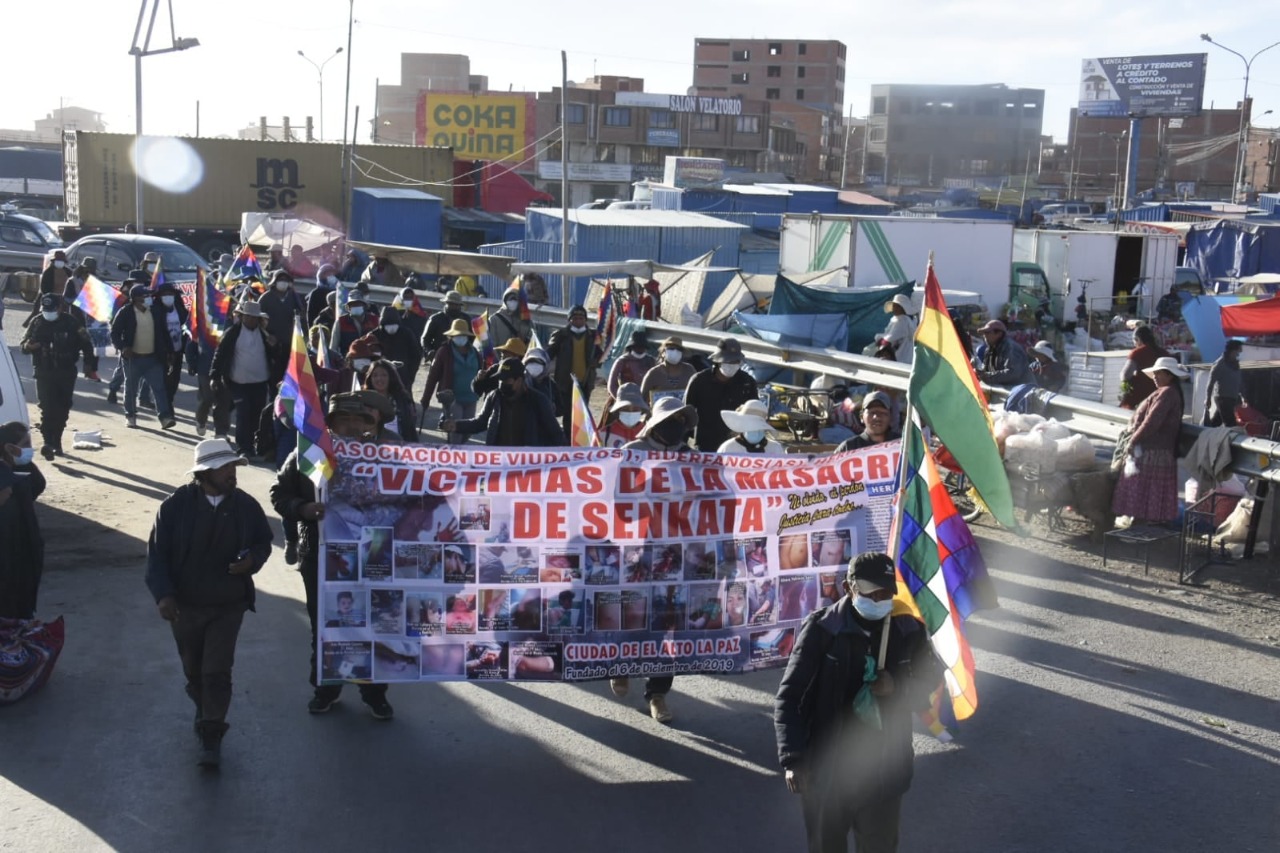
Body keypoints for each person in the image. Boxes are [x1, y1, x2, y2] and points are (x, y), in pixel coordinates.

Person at [774, 551, 942, 853]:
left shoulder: (908, 631)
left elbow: (929, 684)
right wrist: (793, 759)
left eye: (886, 593)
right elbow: (791, 696)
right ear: (849, 588)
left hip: (885, 772)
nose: (880, 600)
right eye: (871, 592)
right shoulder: (822, 630)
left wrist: (897, 687)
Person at [146, 438, 273, 768]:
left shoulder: (245, 506)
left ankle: (212, 733)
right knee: (194, 671)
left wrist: (252, 562)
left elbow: (263, 541)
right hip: (185, 606)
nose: (233, 473)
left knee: (217, 671)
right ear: (204, 473)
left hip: (227, 605)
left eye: (233, 466)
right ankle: (204, 712)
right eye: (225, 468)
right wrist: (164, 595)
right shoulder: (174, 507)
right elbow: (156, 557)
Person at [271, 393, 395, 720]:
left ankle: (374, 693)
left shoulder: (386, 456)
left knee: (372, 623)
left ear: (369, 425)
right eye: (345, 420)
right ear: (331, 424)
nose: (352, 426)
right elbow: (279, 494)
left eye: (360, 421)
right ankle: (326, 688)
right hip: (322, 555)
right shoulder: (309, 455)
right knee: (326, 625)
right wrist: (303, 509)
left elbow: (414, 494)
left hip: (374, 555)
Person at [615, 396, 699, 723]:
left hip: (677, 552)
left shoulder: (692, 458)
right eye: (670, 421)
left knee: (670, 623)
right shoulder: (632, 451)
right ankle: (621, 666)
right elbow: (612, 494)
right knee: (633, 614)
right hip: (637, 547)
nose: (675, 427)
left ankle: (658, 693)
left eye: (681, 421)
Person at [20, 294, 99, 458]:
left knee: (63, 407)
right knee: (47, 408)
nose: (48, 313)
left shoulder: (71, 322)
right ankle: (48, 442)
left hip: (66, 371)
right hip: (44, 372)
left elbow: (87, 343)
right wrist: (29, 346)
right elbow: (23, 345)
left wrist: (89, 365)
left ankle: (57, 440)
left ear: (59, 308)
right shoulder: (37, 321)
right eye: (46, 310)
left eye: (52, 309)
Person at [1113, 357, 1187, 525]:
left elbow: (1152, 421)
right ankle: (1139, 526)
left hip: (1153, 451)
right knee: (1145, 492)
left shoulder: (1167, 393)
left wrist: (1133, 440)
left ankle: (1139, 528)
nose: (1155, 377)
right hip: (1155, 449)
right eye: (1154, 374)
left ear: (1170, 376)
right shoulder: (1166, 392)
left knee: (1143, 491)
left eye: (1158, 374)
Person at [210, 301, 278, 456]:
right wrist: (214, 376)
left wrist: (275, 346)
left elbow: (275, 356)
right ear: (242, 317)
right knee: (243, 413)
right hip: (237, 382)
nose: (251, 320)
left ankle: (252, 445)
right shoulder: (232, 333)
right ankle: (243, 448)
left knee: (256, 415)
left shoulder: (265, 334)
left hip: (260, 382)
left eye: (254, 317)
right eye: (248, 317)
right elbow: (220, 355)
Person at [446, 358, 566, 447]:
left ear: (519, 380)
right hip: (500, 465)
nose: (502, 384)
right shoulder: (494, 397)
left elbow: (555, 433)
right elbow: (480, 422)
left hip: (527, 466)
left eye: (507, 380)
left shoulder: (538, 401)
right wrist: (456, 425)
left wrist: (570, 458)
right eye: (500, 380)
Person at [110, 283, 178, 430]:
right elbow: (114, 333)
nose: (149, 298)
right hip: (133, 359)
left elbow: (164, 333)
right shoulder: (125, 312)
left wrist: (170, 352)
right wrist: (123, 347)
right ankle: (131, 416)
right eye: (145, 296)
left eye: (149, 296)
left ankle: (165, 417)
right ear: (135, 298)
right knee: (131, 389)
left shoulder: (156, 311)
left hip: (153, 358)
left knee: (159, 389)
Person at [0, 422, 46, 619]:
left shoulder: (16, 473)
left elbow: (37, 484)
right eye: (24, 443)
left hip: (23, 557)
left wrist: (19, 458)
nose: (29, 448)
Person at [684, 337, 760, 452]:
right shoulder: (699, 381)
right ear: (718, 361)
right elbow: (686, 412)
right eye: (728, 362)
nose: (732, 365)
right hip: (706, 442)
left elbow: (755, 413)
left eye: (735, 362)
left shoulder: (747, 382)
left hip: (738, 443)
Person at [421, 318, 482, 444]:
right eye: (457, 335)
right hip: (452, 399)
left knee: (468, 431)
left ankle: (458, 453)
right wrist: (426, 399)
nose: (460, 337)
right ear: (451, 336)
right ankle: (453, 458)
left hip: (471, 398)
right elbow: (433, 376)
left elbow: (481, 373)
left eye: (462, 335)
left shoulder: (475, 352)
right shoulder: (444, 351)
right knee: (455, 432)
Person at [546, 305, 602, 436]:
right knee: (568, 413)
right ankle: (567, 439)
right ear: (569, 320)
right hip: (566, 383)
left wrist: (596, 361)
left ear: (585, 320)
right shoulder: (561, 335)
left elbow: (601, 356)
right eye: (575, 318)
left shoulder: (593, 336)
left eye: (581, 318)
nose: (578, 321)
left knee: (583, 413)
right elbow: (549, 353)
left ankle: (581, 439)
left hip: (585, 381)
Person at [256, 271, 304, 376]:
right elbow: (257, 320)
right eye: (281, 280)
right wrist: (267, 336)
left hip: (289, 342)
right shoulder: (265, 298)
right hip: (270, 342)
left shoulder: (294, 297)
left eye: (286, 280)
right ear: (274, 281)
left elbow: (301, 317)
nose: (283, 283)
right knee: (272, 372)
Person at [362, 359, 419, 443]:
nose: (379, 379)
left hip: (398, 447)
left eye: (384, 375)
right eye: (375, 375)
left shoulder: (402, 400)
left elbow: (409, 428)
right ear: (370, 378)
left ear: (391, 377)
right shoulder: (363, 400)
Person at [154, 279, 190, 408]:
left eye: (170, 294)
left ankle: (169, 401)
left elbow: (188, 329)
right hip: (161, 351)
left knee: (174, 379)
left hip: (178, 351)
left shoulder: (181, 311)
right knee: (162, 380)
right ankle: (164, 408)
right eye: (164, 294)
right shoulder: (155, 311)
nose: (168, 297)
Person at [371, 306, 423, 393]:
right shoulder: (374, 335)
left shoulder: (407, 334)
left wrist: (410, 375)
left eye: (394, 324)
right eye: (388, 324)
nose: (391, 328)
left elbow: (416, 356)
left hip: (403, 377)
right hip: (380, 379)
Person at [1119, 324, 1170, 410]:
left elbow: (1125, 376)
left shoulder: (1137, 353)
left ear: (1137, 339)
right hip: (1160, 397)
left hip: (1139, 399)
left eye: (1134, 341)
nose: (1134, 344)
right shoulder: (1164, 353)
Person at [972, 319, 1032, 388]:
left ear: (999, 334)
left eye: (987, 332)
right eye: (983, 333)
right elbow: (987, 370)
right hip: (1004, 390)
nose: (984, 336)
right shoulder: (989, 349)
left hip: (1022, 392)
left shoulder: (1011, 348)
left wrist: (987, 376)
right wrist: (977, 369)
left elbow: (1013, 374)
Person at [834, 391, 900, 454]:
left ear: (890, 417)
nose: (876, 417)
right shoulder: (848, 448)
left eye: (882, 413)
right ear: (861, 417)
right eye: (872, 412)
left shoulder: (903, 445)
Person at [640, 335, 696, 407]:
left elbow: (699, 393)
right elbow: (641, 398)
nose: (675, 351)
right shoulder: (653, 374)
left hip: (683, 415)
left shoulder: (689, 370)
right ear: (663, 352)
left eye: (678, 349)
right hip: (659, 415)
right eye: (671, 348)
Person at [718, 398, 785, 454]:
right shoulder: (727, 448)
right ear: (743, 426)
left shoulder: (776, 448)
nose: (755, 430)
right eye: (750, 426)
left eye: (759, 427)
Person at [607, 330, 656, 406]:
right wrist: (620, 401)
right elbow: (611, 385)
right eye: (637, 346)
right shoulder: (622, 361)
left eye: (642, 347)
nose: (640, 349)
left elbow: (656, 383)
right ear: (631, 347)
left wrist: (649, 402)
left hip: (645, 402)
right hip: (624, 400)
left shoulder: (651, 361)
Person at [1202, 339, 1244, 427]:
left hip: (1232, 398)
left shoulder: (1235, 364)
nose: (1239, 353)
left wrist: (1241, 396)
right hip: (1223, 398)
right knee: (1231, 424)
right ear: (1233, 350)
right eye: (1238, 350)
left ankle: (1207, 434)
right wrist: (1208, 398)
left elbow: (1237, 381)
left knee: (1216, 422)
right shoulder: (1219, 364)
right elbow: (1211, 383)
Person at [421, 290, 473, 357]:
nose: (454, 307)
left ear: (460, 305)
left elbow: (472, 338)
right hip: (440, 357)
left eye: (456, 304)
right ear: (445, 303)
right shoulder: (435, 319)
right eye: (451, 304)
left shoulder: (466, 319)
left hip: (461, 357)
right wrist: (429, 351)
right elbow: (425, 339)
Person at [600, 382, 648, 448]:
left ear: (641, 410)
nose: (630, 413)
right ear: (619, 410)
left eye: (635, 409)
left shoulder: (648, 434)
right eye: (626, 409)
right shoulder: (604, 434)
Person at [334, 292, 379, 358]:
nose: (355, 306)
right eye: (352, 305)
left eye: (358, 304)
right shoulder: (340, 322)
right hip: (347, 360)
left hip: (370, 360)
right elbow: (333, 347)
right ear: (348, 308)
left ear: (364, 306)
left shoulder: (375, 320)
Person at [487, 286, 531, 350]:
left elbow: (532, 343)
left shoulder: (525, 320)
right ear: (505, 301)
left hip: (519, 358)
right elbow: (492, 345)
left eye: (515, 299)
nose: (513, 302)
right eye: (510, 299)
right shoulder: (494, 320)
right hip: (502, 357)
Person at [879, 294, 916, 365]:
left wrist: (879, 340)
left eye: (897, 306)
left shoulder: (902, 321)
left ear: (903, 308)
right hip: (907, 357)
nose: (894, 308)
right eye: (894, 306)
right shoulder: (908, 319)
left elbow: (890, 338)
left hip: (900, 357)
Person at [307, 264, 339, 328]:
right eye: (327, 274)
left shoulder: (338, 291)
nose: (331, 276)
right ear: (320, 276)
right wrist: (312, 329)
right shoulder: (316, 293)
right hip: (321, 326)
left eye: (332, 274)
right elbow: (311, 314)